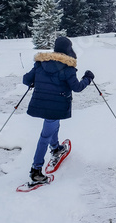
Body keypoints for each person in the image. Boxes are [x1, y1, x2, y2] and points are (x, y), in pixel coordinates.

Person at [23, 36, 94, 183]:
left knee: (53, 124)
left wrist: (35, 81)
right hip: (55, 107)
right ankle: (36, 171)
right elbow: (77, 87)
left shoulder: (41, 63)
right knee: (45, 136)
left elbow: (26, 80)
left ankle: (56, 148)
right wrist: (88, 78)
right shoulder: (68, 68)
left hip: (41, 104)